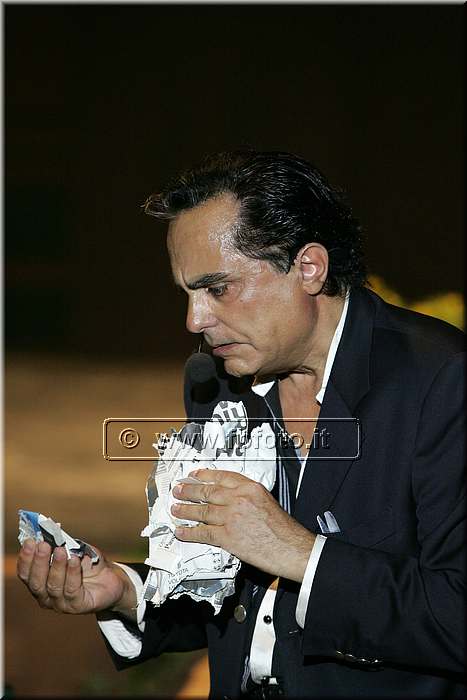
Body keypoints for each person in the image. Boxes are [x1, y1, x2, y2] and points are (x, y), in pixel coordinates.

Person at [17, 151, 466, 698]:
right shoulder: (216, 380)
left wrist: (297, 552)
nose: (195, 320)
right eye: (187, 293)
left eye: (218, 289)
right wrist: (125, 591)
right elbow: (238, 596)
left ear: (308, 268)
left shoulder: (442, 380)